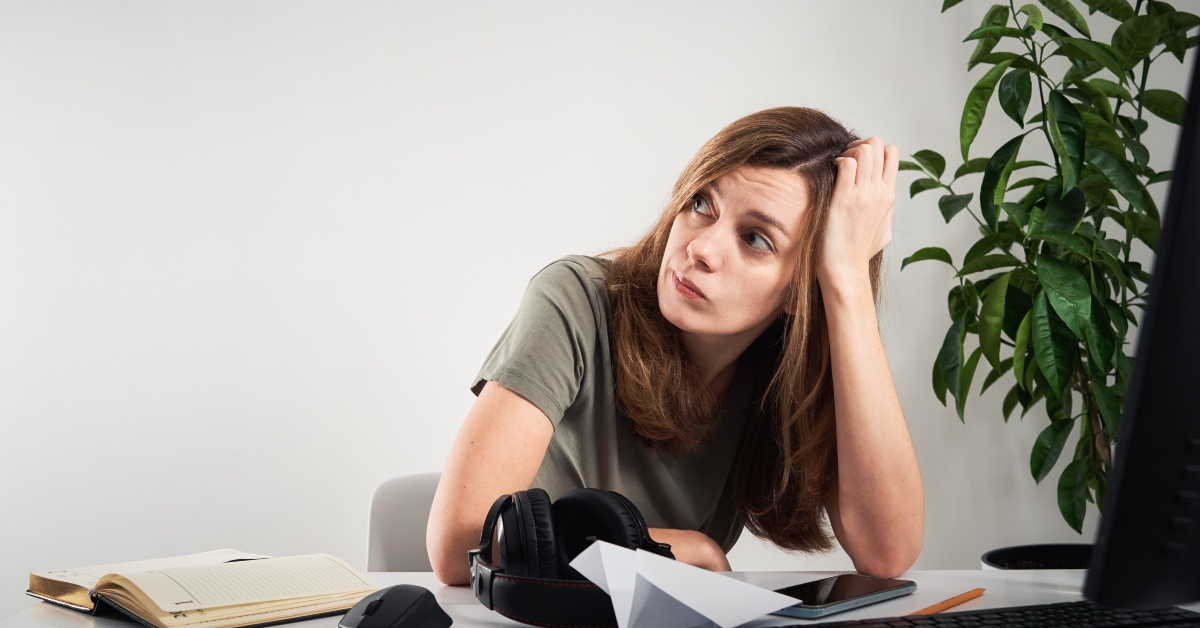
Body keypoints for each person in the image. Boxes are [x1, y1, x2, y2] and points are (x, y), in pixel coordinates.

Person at [426, 107, 924, 585]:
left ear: (801, 289)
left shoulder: (778, 375)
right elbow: (462, 545)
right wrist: (687, 548)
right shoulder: (576, 300)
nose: (700, 248)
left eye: (755, 239)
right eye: (701, 204)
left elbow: (887, 553)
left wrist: (847, 279)